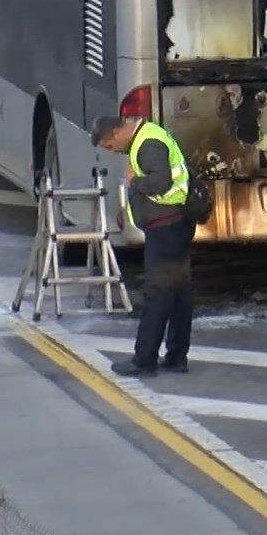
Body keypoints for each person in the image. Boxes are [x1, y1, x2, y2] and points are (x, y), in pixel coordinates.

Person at [93, 114, 200, 377]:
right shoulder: (146, 137)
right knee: (178, 294)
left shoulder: (147, 144)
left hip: (166, 227)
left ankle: (145, 360)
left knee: (158, 294)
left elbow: (160, 182)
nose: (112, 151)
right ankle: (176, 356)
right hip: (173, 225)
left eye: (109, 145)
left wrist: (133, 183)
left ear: (118, 132)